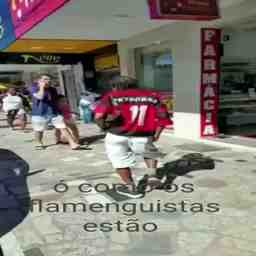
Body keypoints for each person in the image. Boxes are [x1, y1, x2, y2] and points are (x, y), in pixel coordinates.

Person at [94, 76, 172, 198]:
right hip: (143, 134)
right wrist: (156, 134)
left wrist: (104, 127)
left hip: (117, 135)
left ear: (117, 87)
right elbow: (164, 118)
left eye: (113, 87)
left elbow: (98, 116)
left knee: (119, 161)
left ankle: (131, 188)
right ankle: (152, 177)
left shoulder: (112, 97)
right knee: (149, 153)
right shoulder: (152, 96)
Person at [30, 74, 80, 150]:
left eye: (49, 79)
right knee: (39, 130)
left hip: (54, 112)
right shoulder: (34, 88)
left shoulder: (53, 89)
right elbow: (40, 97)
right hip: (39, 113)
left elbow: (55, 100)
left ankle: (72, 143)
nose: (48, 81)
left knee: (62, 127)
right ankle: (39, 142)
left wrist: (63, 109)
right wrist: (41, 87)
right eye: (45, 79)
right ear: (39, 80)